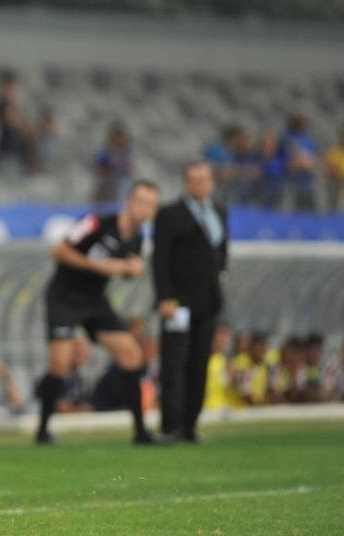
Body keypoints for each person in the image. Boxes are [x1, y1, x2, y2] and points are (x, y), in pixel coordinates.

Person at [34, 180, 161, 445]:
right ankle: (43, 430)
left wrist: (131, 270)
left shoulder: (137, 238)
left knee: (131, 355)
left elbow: (123, 270)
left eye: (151, 205)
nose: (145, 209)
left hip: (95, 301)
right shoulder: (95, 223)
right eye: (142, 202)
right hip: (65, 297)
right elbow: (58, 251)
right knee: (60, 362)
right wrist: (100, 266)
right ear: (129, 201)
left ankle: (140, 432)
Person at [153, 161, 229, 443]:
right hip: (178, 302)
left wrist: (222, 280)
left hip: (208, 302)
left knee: (199, 364)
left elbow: (222, 252)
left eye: (204, 179)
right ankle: (170, 426)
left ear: (211, 181)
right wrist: (164, 297)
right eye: (194, 180)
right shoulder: (170, 214)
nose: (200, 184)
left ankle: (190, 425)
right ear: (186, 183)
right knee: (174, 364)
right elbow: (160, 259)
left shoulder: (218, 211)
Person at [91, 123, 133, 206]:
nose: (119, 140)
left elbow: (129, 166)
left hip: (121, 181)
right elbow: (98, 164)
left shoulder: (126, 151)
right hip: (107, 182)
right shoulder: (106, 151)